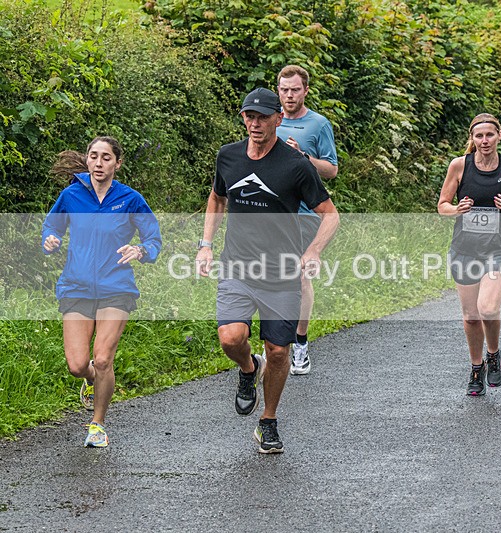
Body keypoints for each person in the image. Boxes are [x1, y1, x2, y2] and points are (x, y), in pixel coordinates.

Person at [195, 87, 339, 454]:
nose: (255, 123)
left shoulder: (296, 166)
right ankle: (247, 368)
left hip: (281, 274)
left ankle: (269, 421)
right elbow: (217, 197)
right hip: (238, 267)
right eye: (249, 116)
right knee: (230, 338)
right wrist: (206, 245)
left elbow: (330, 214)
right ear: (242, 118)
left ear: (278, 118)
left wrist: (313, 251)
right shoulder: (227, 157)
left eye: (262, 117)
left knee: (278, 351)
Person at [41, 136, 162, 448]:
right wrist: (50, 240)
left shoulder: (130, 199)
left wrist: (141, 250)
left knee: (104, 358)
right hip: (77, 287)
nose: (98, 162)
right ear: (87, 159)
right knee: (77, 365)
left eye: (106, 157)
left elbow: (154, 238)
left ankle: (97, 424)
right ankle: (93, 380)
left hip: (115, 287)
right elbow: (51, 227)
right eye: (93, 156)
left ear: (117, 164)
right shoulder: (71, 196)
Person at [437, 113, 501, 396]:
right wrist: (457, 210)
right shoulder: (459, 166)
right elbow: (442, 204)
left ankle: (493, 354)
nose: (484, 141)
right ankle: (476, 367)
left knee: (488, 308)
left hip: (498, 249)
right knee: (470, 316)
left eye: (489, 135)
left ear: (499, 136)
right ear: (472, 139)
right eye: (479, 136)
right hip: (465, 249)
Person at [275, 64, 339, 376]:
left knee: (300, 277)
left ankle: (299, 343)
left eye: (295, 90)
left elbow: (331, 169)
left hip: (304, 213)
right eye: (284, 90)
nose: (289, 95)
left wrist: (303, 157)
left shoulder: (318, 124)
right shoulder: (267, 120)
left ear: (306, 91)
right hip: (270, 214)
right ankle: (274, 344)